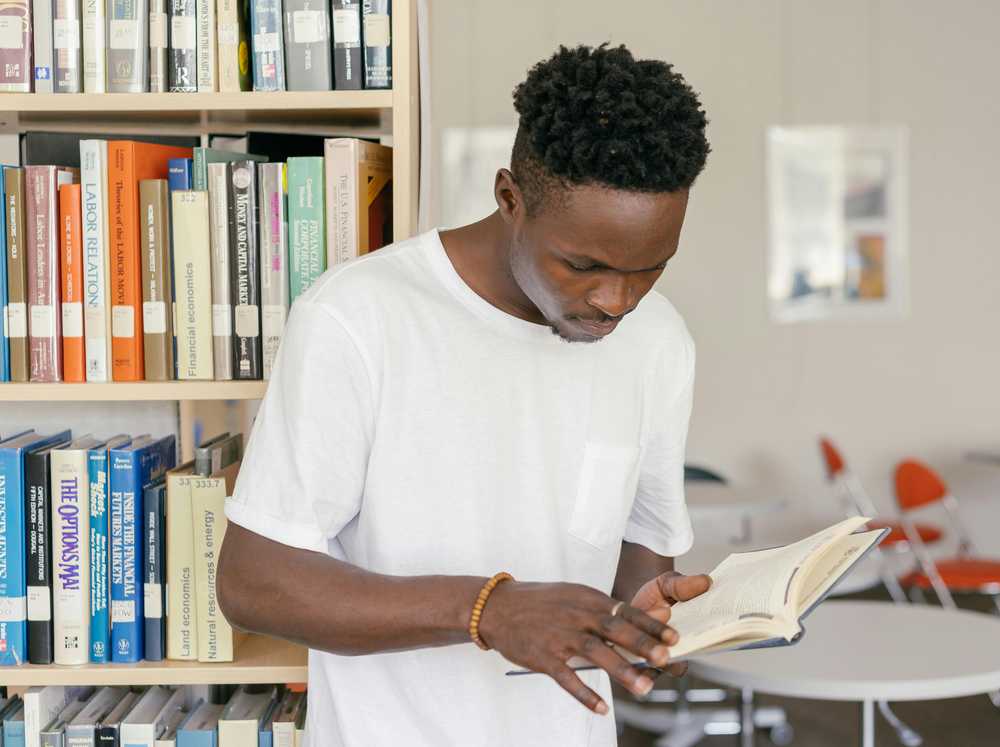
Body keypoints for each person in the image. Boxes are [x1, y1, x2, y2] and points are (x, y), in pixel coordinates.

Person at [217, 43, 712, 746]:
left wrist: (645, 624)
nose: (617, 300)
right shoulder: (359, 316)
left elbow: (640, 562)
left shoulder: (659, 340)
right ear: (509, 197)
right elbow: (252, 581)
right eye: (583, 264)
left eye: (650, 267)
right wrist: (489, 609)